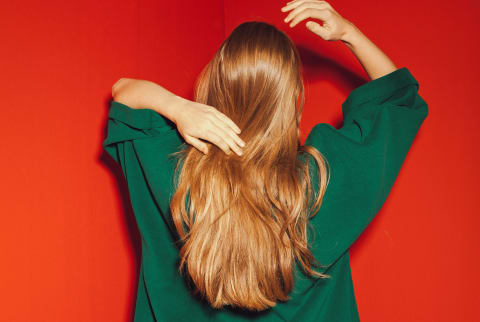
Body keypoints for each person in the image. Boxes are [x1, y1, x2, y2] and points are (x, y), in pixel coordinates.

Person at [103, 1, 428, 321]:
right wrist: (349, 33)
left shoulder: (176, 168)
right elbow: (398, 97)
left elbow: (123, 92)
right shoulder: (323, 178)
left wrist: (178, 108)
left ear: (215, 85)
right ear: (292, 101)